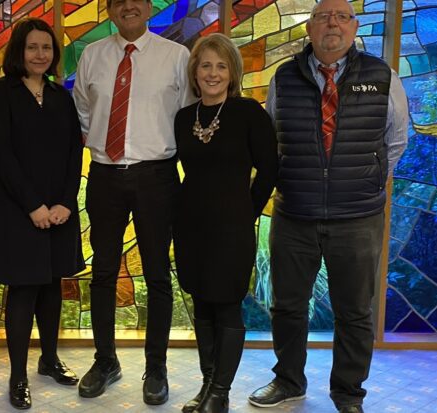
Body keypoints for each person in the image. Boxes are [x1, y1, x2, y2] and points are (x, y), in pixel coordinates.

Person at [247, 1, 409, 412]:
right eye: (322, 17)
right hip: (294, 212)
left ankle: (349, 393)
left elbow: (396, 140)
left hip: (358, 216)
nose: (332, 24)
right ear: (309, 28)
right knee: (286, 305)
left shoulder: (382, 76)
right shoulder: (284, 77)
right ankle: (288, 381)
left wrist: (367, 179)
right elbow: (271, 137)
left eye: (341, 17)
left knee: (354, 311)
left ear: (355, 27)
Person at [72, 0, 193, 405]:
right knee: (104, 271)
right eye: (120, 1)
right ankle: (106, 361)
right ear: (109, 9)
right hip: (104, 175)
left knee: (158, 274)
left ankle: (155, 368)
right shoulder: (92, 55)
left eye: (137, 0)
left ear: (147, 7)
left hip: (156, 176)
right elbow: (84, 112)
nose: (129, 7)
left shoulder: (176, 56)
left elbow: (188, 116)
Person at [0, 17, 85, 410]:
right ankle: (18, 375)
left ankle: (49, 359)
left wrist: (64, 202)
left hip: (59, 210)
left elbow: (75, 151)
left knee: (52, 284)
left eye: (46, 48)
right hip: (16, 209)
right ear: (18, 52)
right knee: (24, 289)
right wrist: (34, 206)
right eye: (32, 47)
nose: (40, 54)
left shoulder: (62, 96)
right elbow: (2, 155)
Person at [174, 33, 278, 413]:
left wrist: (245, 211)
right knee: (201, 302)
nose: (213, 73)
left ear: (232, 72)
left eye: (221, 66)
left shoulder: (250, 113)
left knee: (226, 305)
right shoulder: (185, 118)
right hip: (190, 226)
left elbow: (269, 170)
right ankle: (206, 386)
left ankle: (220, 393)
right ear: (195, 72)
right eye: (205, 65)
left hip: (232, 227)